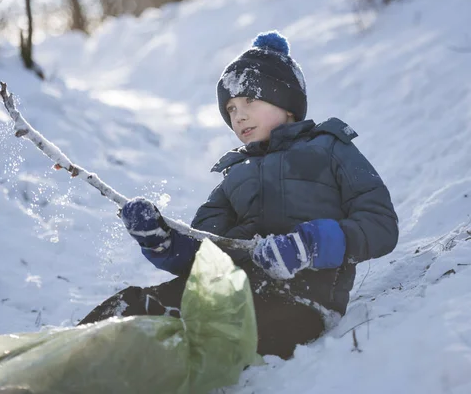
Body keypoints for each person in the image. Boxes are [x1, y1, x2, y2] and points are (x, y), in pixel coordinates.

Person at [79, 30, 399, 359]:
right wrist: (163, 242)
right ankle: (67, 356)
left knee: (206, 332)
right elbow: (205, 253)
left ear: (286, 103)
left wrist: (310, 244)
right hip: (229, 291)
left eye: (250, 101)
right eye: (230, 109)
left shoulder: (330, 149)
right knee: (135, 305)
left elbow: (380, 225)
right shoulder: (235, 176)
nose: (239, 115)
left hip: (300, 303)